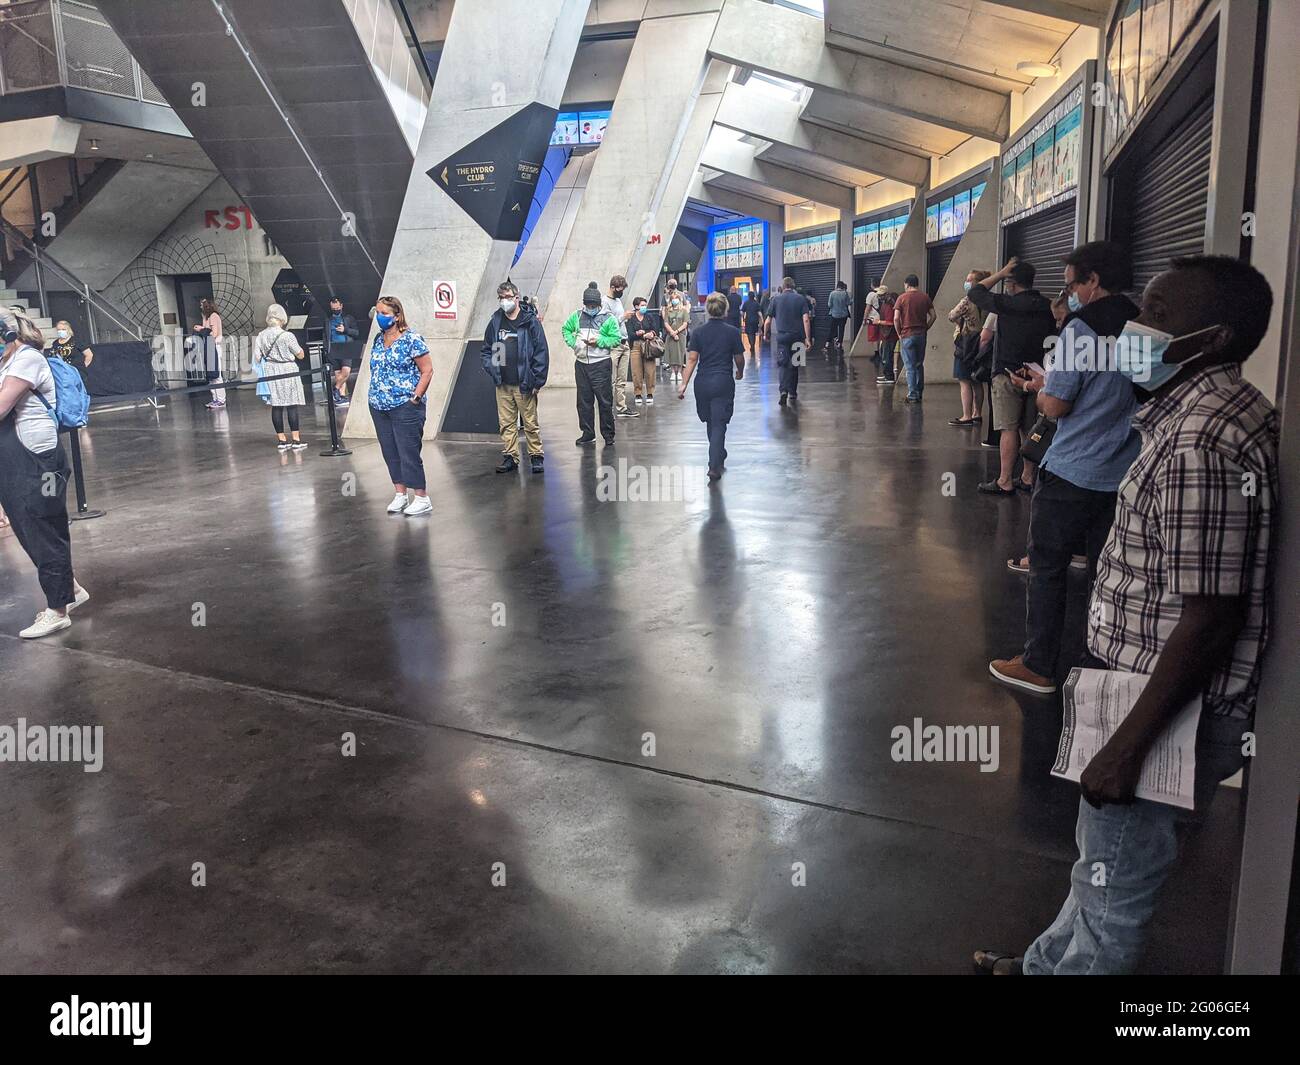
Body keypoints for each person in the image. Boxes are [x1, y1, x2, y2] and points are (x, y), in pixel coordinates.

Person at [976, 256, 1279, 976]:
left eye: (1159, 313)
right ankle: (1045, 964)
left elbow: (1211, 613)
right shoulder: (1206, 411)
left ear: (1212, 336)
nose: (1137, 326)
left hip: (1162, 706)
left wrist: (1127, 747)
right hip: (1139, 688)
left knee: (1116, 889)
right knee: (1100, 864)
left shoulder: (1202, 441)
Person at [988, 242, 1141, 695]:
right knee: (1106, 572)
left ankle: (1038, 665)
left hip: (1073, 468)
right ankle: (1099, 663)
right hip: (1123, 473)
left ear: (1093, 281)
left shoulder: (1080, 330)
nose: (1069, 292)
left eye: (1073, 283)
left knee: (1048, 567)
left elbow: (1055, 405)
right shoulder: (1143, 326)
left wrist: (1040, 389)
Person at [0, 310, 89, 638]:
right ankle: (71, 589)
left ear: (9, 336)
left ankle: (57, 610)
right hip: (14, 458)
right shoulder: (7, 363)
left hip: (39, 460)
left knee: (43, 526)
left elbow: (1, 406)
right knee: (28, 527)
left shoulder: (27, 359)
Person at [968, 258, 1056, 494]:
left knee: (1008, 428)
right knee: (1028, 427)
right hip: (1036, 375)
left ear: (1012, 283)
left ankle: (1004, 480)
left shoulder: (1007, 304)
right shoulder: (1047, 306)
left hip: (1006, 373)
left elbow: (976, 293)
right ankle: (1027, 477)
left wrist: (1000, 272)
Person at [367, 295, 433, 517]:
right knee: (390, 451)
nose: (380, 317)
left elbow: (427, 371)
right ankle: (400, 493)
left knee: (408, 451)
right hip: (379, 405)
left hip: (405, 406)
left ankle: (421, 497)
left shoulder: (411, 339)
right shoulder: (378, 339)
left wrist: (415, 397)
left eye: (385, 313)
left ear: (397, 315)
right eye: (378, 312)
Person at [480, 281, 548, 474]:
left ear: (516, 297)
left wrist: (538, 380)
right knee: (506, 422)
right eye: (501, 298)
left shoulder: (529, 321)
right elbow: (487, 349)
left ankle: (536, 456)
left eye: (508, 297)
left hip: (524, 382)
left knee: (530, 421)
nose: (504, 301)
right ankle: (511, 456)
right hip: (502, 382)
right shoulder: (496, 321)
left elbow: (541, 351)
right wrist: (492, 368)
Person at [679, 292, 744, 481]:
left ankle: (717, 455)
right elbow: (739, 358)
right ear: (726, 310)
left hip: (703, 383)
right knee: (719, 424)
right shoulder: (732, 332)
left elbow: (691, 359)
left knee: (711, 422)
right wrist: (739, 371)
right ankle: (715, 464)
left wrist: (683, 384)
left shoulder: (698, 332)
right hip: (723, 382)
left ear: (708, 309)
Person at [563, 282, 622, 447]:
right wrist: (573, 342)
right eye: (588, 305)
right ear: (584, 303)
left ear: (599, 304)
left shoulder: (608, 318)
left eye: (593, 305)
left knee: (604, 401)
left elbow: (616, 339)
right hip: (581, 364)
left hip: (601, 364)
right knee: (583, 401)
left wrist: (599, 342)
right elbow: (565, 329)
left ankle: (608, 434)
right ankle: (587, 433)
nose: (590, 308)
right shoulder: (576, 316)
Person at [253, 303, 309, 452]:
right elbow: (300, 354)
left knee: (276, 406)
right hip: (288, 369)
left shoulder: (261, 336)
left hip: (271, 370)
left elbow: (257, 357)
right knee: (291, 404)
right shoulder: (287, 336)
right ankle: (296, 440)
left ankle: (282, 440)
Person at [947, 271, 990, 424]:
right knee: (977, 380)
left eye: (969, 280)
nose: (966, 282)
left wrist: (961, 321)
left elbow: (951, 315)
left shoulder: (967, 300)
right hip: (983, 345)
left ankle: (967, 415)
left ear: (978, 283)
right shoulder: (989, 300)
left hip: (967, 343)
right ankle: (977, 413)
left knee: (964, 380)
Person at [768, 276, 811, 407]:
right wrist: (807, 338)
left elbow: (768, 321)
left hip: (782, 337)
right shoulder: (801, 299)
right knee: (795, 365)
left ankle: (783, 391)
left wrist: (765, 334)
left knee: (783, 364)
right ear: (793, 286)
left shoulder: (775, 299)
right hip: (797, 337)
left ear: (783, 286)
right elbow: (806, 319)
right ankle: (792, 392)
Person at [892, 274, 935, 404]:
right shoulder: (925, 297)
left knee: (909, 366)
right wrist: (926, 327)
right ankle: (919, 392)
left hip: (907, 335)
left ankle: (912, 395)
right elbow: (933, 316)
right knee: (919, 364)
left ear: (907, 284)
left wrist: (899, 332)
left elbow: (895, 318)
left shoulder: (902, 298)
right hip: (921, 334)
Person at [602, 274, 637, 418]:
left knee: (622, 379)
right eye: (619, 289)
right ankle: (607, 407)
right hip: (614, 344)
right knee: (611, 379)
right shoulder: (605, 302)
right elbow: (607, 324)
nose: (621, 292)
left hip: (624, 342)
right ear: (612, 287)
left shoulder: (617, 301)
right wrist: (623, 317)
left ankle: (622, 407)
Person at [325, 296, 360, 406]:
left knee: (345, 372)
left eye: (337, 308)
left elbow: (356, 333)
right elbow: (325, 335)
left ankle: (335, 389)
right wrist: (327, 349)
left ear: (341, 306)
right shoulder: (328, 320)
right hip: (333, 349)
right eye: (333, 309)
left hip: (346, 348)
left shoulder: (348, 318)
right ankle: (341, 396)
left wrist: (345, 330)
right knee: (338, 374)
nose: (336, 310)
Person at [629, 296, 661, 406]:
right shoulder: (631, 318)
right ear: (636, 306)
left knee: (650, 370)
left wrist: (651, 333)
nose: (644, 307)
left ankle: (650, 393)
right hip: (636, 345)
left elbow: (656, 329)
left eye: (645, 305)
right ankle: (638, 393)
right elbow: (629, 334)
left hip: (648, 345)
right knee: (636, 371)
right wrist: (637, 334)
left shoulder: (649, 317)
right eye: (642, 305)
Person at [194, 297, 225, 409]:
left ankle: (221, 399)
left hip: (214, 345)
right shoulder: (207, 318)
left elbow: (214, 333)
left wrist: (202, 330)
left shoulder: (213, 316)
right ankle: (215, 398)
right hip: (209, 345)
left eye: (202, 305)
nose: (201, 307)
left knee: (216, 375)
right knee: (211, 376)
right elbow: (207, 331)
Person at [661, 278, 689, 383]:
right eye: (670, 284)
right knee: (671, 350)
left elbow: (686, 307)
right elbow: (663, 309)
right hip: (670, 328)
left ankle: (681, 369)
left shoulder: (682, 294)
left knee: (681, 350)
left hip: (681, 329)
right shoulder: (665, 296)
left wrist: (677, 331)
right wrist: (667, 324)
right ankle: (673, 370)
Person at [874, 285, 899, 383]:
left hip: (889, 335)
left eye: (880, 295)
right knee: (885, 354)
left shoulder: (888, 305)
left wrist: (878, 322)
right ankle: (887, 375)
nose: (878, 297)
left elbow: (890, 322)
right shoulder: (886, 303)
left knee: (887, 355)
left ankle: (889, 376)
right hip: (886, 334)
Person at [828, 280, 851, 350]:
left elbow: (829, 305)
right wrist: (852, 300)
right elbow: (848, 303)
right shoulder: (845, 293)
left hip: (834, 315)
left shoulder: (832, 293)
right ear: (842, 286)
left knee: (832, 329)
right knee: (841, 329)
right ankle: (840, 344)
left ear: (837, 286)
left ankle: (828, 343)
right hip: (843, 315)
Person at [741, 289, 762, 357]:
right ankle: (753, 345)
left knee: (749, 333)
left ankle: (751, 345)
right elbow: (759, 313)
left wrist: (743, 317)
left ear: (748, 296)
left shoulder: (746, 303)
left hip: (748, 320)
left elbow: (742, 312)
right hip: (755, 321)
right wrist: (762, 319)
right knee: (753, 333)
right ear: (754, 296)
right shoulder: (756, 303)